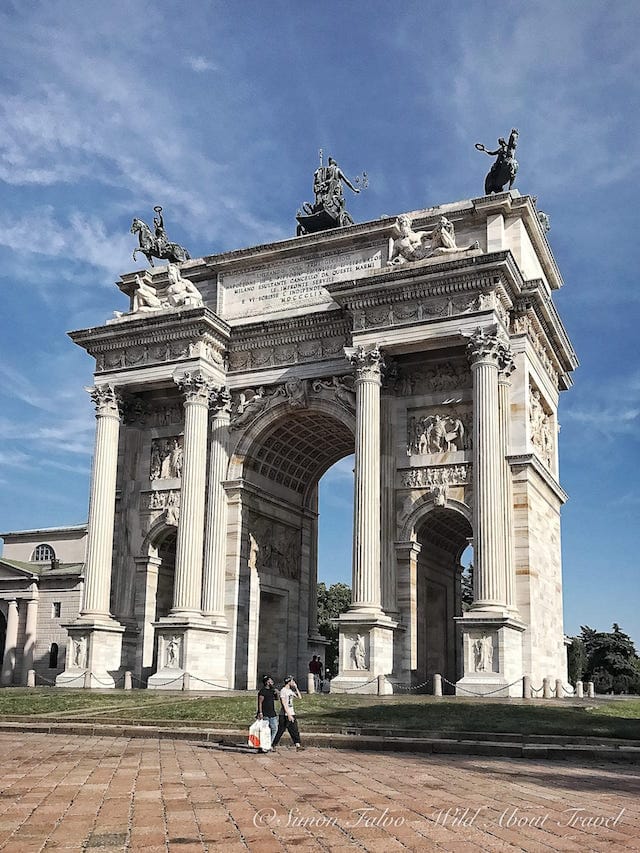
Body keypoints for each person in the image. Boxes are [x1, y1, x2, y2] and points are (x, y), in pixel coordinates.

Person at [272, 675, 304, 751]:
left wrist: (296, 687)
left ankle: (298, 745)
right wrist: (288, 714)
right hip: (285, 714)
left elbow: (299, 697)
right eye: (292, 681)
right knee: (280, 730)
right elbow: (283, 703)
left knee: (294, 730)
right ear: (289, 682)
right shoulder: (283, 691)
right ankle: (273, 745)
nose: (293, 682)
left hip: (291, 713)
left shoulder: (290, 691)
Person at [256, 674, 279, 750]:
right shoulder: (263, 691)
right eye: (270, 681)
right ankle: (264, 745)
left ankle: (268, 744)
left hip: (272, 713)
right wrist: (260, 712)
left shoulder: (272, 690)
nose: (272, 682)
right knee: (265, 730)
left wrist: (276, 693)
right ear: (267, 683)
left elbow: (276, 699)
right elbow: (260, 702)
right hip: (265, 713)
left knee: (274, 728)